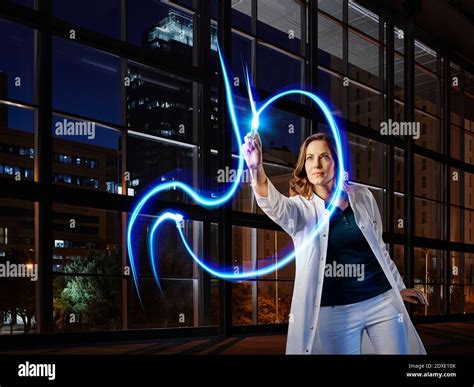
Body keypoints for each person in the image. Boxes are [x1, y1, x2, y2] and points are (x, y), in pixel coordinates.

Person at [241, 132, 427, 355]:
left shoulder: (363, 196)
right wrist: (255, 168)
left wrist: (398, 288)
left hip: (381, 301)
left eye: (324, 156)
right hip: (334, 312)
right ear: (303, 164)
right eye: (309, 158)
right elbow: (271, 202)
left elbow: (379, 248)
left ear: (336, 162)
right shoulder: (300, 209)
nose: (316, 164)